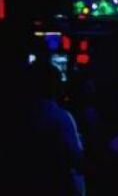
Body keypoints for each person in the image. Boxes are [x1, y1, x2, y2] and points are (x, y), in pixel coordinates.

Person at [26, 59, 86, 196]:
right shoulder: (61, 117)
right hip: (59, 185)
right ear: (54, 85)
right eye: (59, 81)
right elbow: (76, 157)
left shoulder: (19, 115)